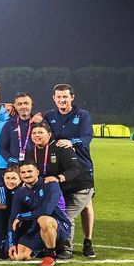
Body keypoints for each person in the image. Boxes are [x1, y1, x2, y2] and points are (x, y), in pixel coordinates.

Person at [43, 83, 96, 256]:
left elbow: (87, 137)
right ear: (54, 99)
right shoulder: (49, 116)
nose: (62, 100)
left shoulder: (83, 115)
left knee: (86, 205)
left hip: (82, 165)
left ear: (72, 97)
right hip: (60, 167)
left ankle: (88, 241)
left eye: (65, 96)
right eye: (58, 97)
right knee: (65, 203)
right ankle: (65, 242)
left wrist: (71, 142)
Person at [26, 122, 91, 259]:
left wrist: (58, 178)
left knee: (66, 216)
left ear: (49, 134)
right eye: (34, 133)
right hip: (57, 190)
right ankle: (49, 244)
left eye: (40, 132)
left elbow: (75, 168)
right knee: (51, 215)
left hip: (78, 188)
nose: (37, 135)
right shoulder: (31, 152)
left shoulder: (61, 147)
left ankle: (66, 247)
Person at [8, 161, 71, 266]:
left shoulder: (51, 184)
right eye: (23, 172)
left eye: (30, 171)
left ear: (37, 172)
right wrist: (12, 243)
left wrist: (22, 217)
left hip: (60, 225)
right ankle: (43, 248)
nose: (27, 175)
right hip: (36, 227)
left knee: (43, 219)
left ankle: (50, 255)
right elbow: (13, 218)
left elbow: (46, 210)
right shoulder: (20, 192)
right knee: (19, 256)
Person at [0, 93, 35, 169]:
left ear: (31, 105)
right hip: (14, 168)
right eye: (19, 104)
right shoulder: (9, 125)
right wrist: (13, 161)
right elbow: (2, 149)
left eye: (26, 103)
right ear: (15, 106)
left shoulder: (39, 123)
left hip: (34, 167)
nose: (23, 106)